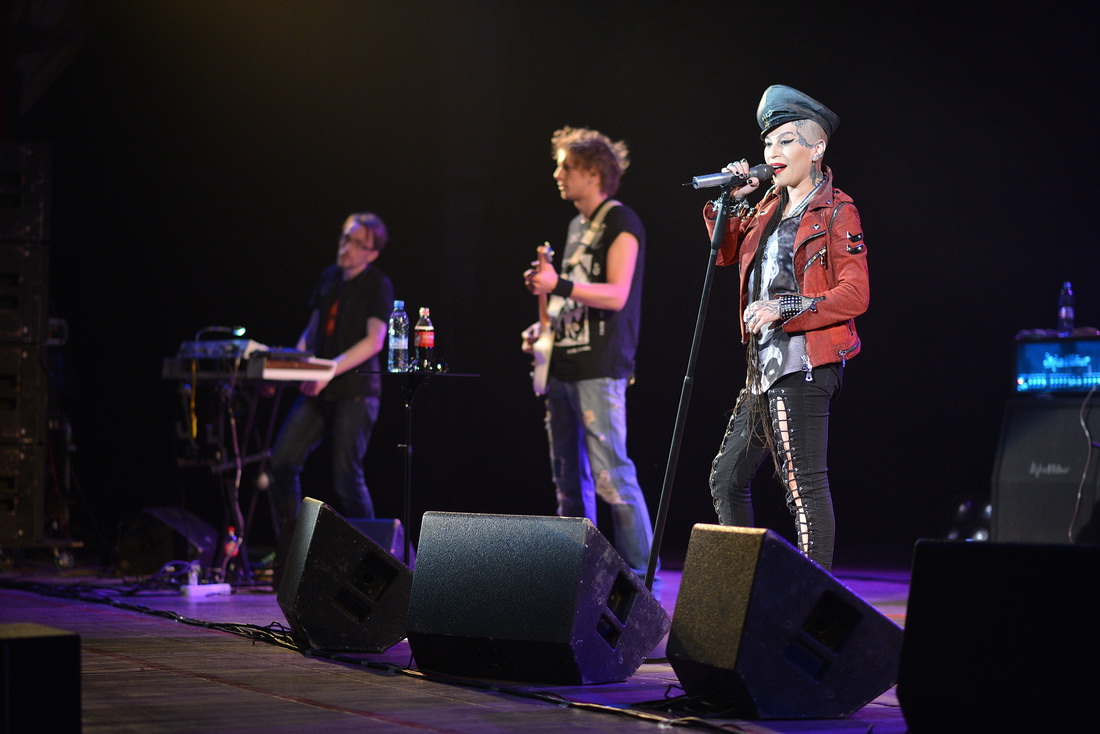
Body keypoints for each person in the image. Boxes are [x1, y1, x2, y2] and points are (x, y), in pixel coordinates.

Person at [703, 85, 869, 571]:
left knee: (803, 487)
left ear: (817, 149)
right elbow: (724, 254)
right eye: (768, 144)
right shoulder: (766, 209)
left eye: (786, 141)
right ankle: (742, 587)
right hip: (764, 367)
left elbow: (855, 294)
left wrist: (788, 306)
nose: (772, 153)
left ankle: (811, 600)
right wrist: (732, 202)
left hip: (806, 362)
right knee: (727, 479)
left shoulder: (837, 211)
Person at [522, 126, 656, 578]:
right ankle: (575, 574)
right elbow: (574, 297)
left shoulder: (620, 220)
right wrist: (543, 330)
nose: (558, 174)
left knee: (611, 474)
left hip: (599, 364)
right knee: (567, 477)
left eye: (566, 166)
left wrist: (556, 283)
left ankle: (643, 578)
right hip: (563, 364)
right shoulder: (576, 226)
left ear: (593, 172)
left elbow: (616, 294)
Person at [268, 212, 395, 536]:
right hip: (320, 387)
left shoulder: (377, 284)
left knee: (346, 478)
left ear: (372, 253)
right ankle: (293, 548)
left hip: (356, 391)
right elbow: (311, 333)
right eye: (345, 238)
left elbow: (375, 340)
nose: (346, 247)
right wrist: (287, 369)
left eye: (357, 242)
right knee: (281, 462)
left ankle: (374, 552)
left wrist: (327, 369)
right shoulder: (329, 277)